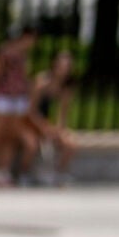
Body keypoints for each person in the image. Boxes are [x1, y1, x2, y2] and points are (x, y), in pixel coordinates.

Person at [0, 25, 37, 188]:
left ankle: (3, 171)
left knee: (10, 137)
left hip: (18, 99)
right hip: (2, 98)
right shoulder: (4, 53)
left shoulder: (24, 56)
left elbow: (25, 78)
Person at [29, 48, 79, 185]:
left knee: (71, 143)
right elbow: (31, 110)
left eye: (67, 66)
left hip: (50, 125)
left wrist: (59, 129)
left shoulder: (67, 87)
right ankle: (30, 173)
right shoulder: (41, 82)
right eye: (61, 65)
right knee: (40, 144)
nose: (64, 69)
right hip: (34, 122)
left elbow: (62, 113)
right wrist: (43, 127)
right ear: (53, 64)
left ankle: (59, 173)